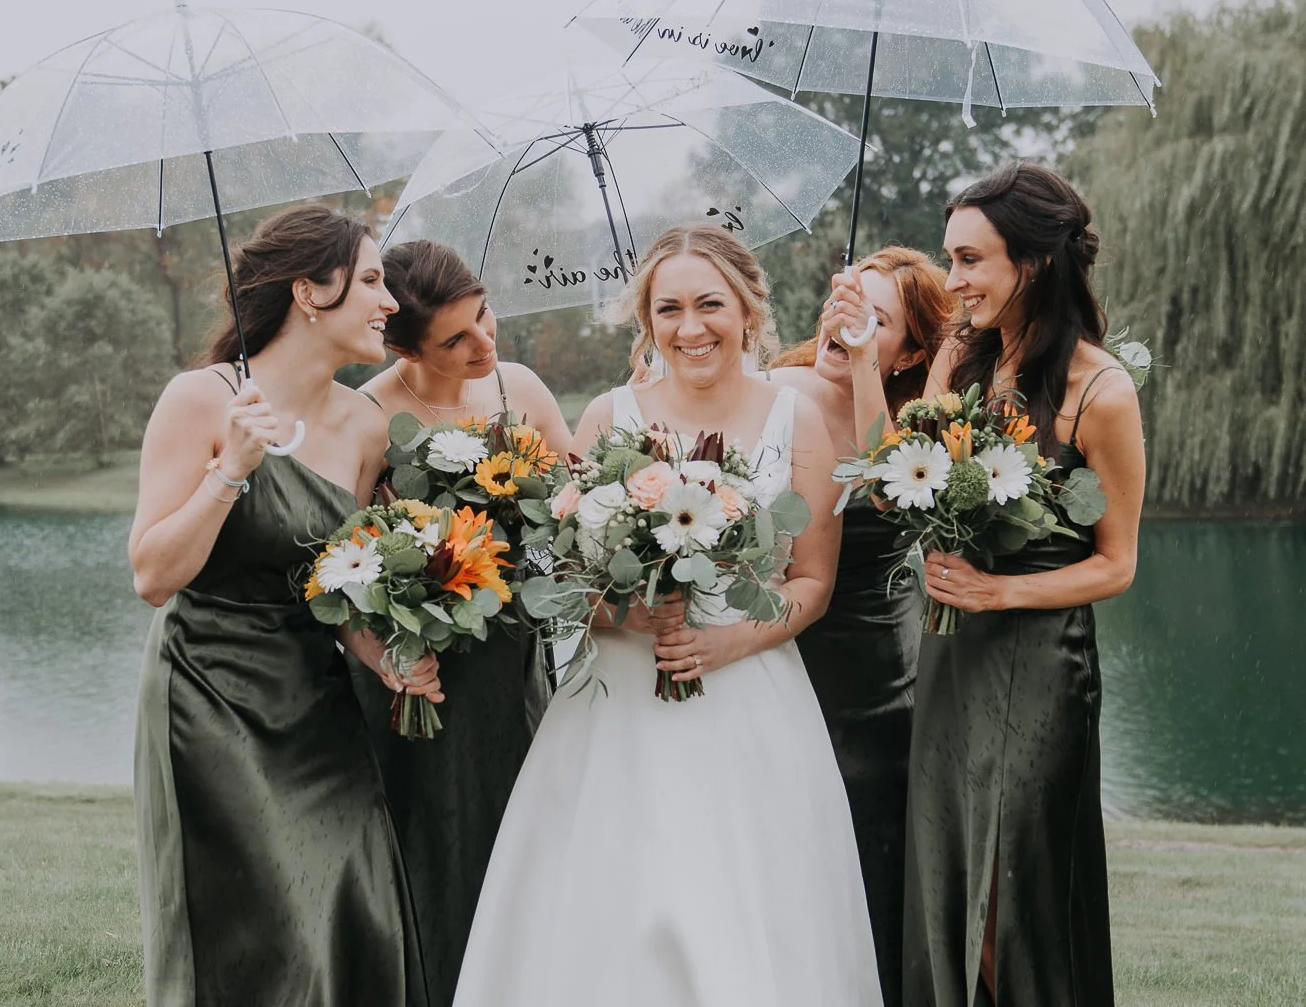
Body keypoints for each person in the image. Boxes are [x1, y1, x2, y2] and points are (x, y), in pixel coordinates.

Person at [451, 224, 882, 1007]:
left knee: (744, 904)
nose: (691, 328)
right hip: (618, 703)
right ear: (647, 321)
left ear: (750, 308)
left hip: (751, 694)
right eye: (670, 308)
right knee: (612, 904)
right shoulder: (608, 417)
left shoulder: (798, 420)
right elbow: (572, 576)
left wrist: (725, 643)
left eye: (710, 304)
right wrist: (628, 612)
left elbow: (811, 581)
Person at [128, 205, 441, 1007]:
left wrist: (392, 659)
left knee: (354, 896)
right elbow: (153, 576)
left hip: (319, 701)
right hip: (210, 697)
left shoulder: (367, 426)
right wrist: (231, 468)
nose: (390, 303)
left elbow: (340, 589)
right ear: (310, 292)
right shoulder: (201, 401)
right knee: (264, 924)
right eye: (371, 281)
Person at [898, 163, 1145, 1007]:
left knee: (1016, 894)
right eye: (948, 259)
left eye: (970, 260)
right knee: (949, 871)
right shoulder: (956, 366)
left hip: (1039, 663)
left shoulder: (1100, 391)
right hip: (949, 657)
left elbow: (1117, 564)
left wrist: (1000, 593)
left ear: (1033, 262)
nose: (953, 281)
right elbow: (911, 480)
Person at [352, 239, 573, 1007]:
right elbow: (345, 560)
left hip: (514, 655)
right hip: (422, 668)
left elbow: (575, 515)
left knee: (524, 830)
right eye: (457, 338)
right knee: (435, 841)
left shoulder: (521, 390)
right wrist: (391, 644)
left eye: (484, 318)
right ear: (402, 343)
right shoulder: (369, 416)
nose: (486, 343)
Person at [768, 246, 955, 1007]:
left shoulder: (918, 424)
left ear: (911, 350)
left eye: (878, 322)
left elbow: (890, 490)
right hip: (781, 656)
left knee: (877, 851)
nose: (850, 328)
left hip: (881, 677)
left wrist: (862, 368)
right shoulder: (771, 393)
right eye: (846, 308)